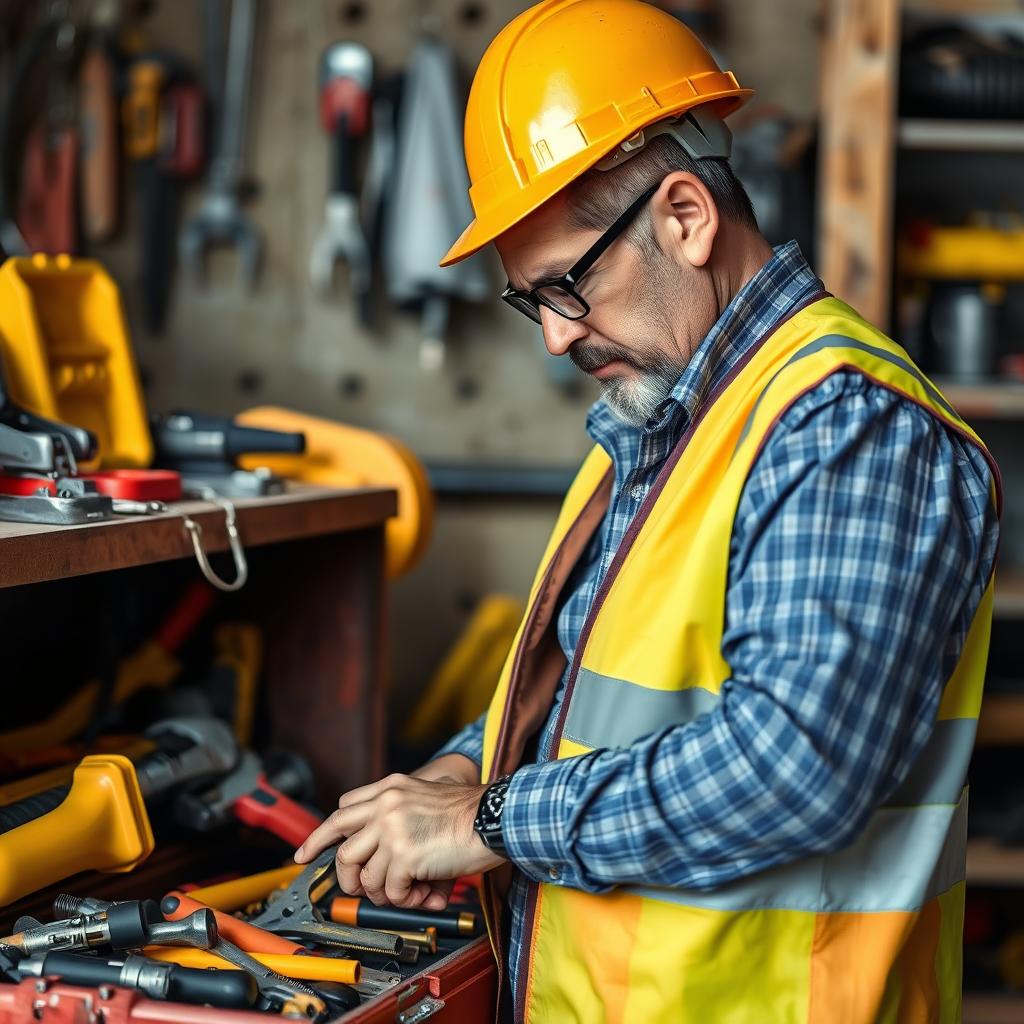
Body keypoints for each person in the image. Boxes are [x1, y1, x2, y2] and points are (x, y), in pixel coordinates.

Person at [296, 2, 1001, 1020]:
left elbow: (794, 763)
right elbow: (606, 686)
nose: (551, 338)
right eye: (529, 301)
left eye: (564, 288)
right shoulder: (668, 413)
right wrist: (453, 773)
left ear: (684, 216)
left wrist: (487, 819)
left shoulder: (841, 424)